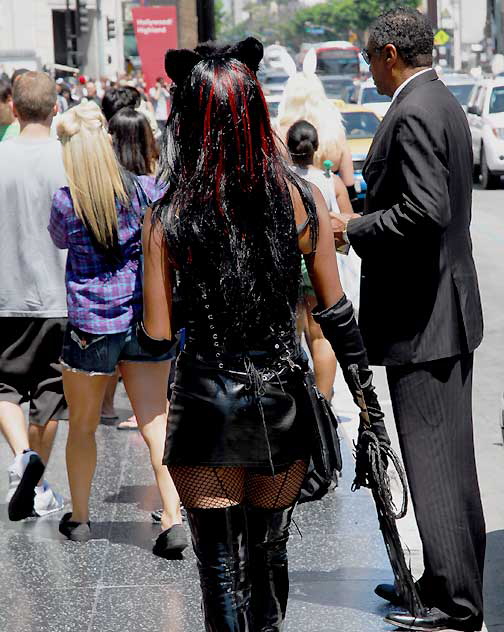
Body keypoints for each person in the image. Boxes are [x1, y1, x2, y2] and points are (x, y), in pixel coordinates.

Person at [142, 37, 388, 631]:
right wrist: (365, 397)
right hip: (282, 401)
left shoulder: (169, 214)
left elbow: (156, 332)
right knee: (268, 552)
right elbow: (335, 311)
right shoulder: (301, 201)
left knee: (219, 572)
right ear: (256, 110)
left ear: (190, 118)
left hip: (205, 402)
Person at [331, 9, 485, 631]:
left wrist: (355, 228)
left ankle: (456, 603)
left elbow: (425, 210)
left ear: (390, 52)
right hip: (439, 310)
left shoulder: (417, 109)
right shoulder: (440, 100)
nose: (368, 69)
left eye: (369, 58)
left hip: (426, 317)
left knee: (434, 462)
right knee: (448, 457)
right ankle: (446, 579)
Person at [49, 102, 186, 556]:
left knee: (83, 426)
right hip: (144, 320)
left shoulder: (66, 201)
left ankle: (82, 517)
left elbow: (59, 238)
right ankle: (172, 515)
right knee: (156, 421)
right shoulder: (146, 189)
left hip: (90, 325)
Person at [0, 71, 67, 519]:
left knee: (4, 385)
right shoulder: (69, 160)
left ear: (14, 110)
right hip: (59, 294)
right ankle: (38, 482)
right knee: (50, 392)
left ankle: (23, 457)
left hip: (5, 293)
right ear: (55, 109)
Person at [287, 119, 353, 398]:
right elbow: (347, 222)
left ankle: (295, 399)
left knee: (290, 337)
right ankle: (324, 400)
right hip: (320, 266)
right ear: (316, 148)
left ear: (288, 148)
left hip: (288, 267)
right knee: (321, 335)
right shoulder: (329, 180)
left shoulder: (282, 180)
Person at [276, 50, 357, 204]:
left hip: (292, 209)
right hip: (331, 211)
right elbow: (349, 185)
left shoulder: (277, 133)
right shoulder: (335, 131)